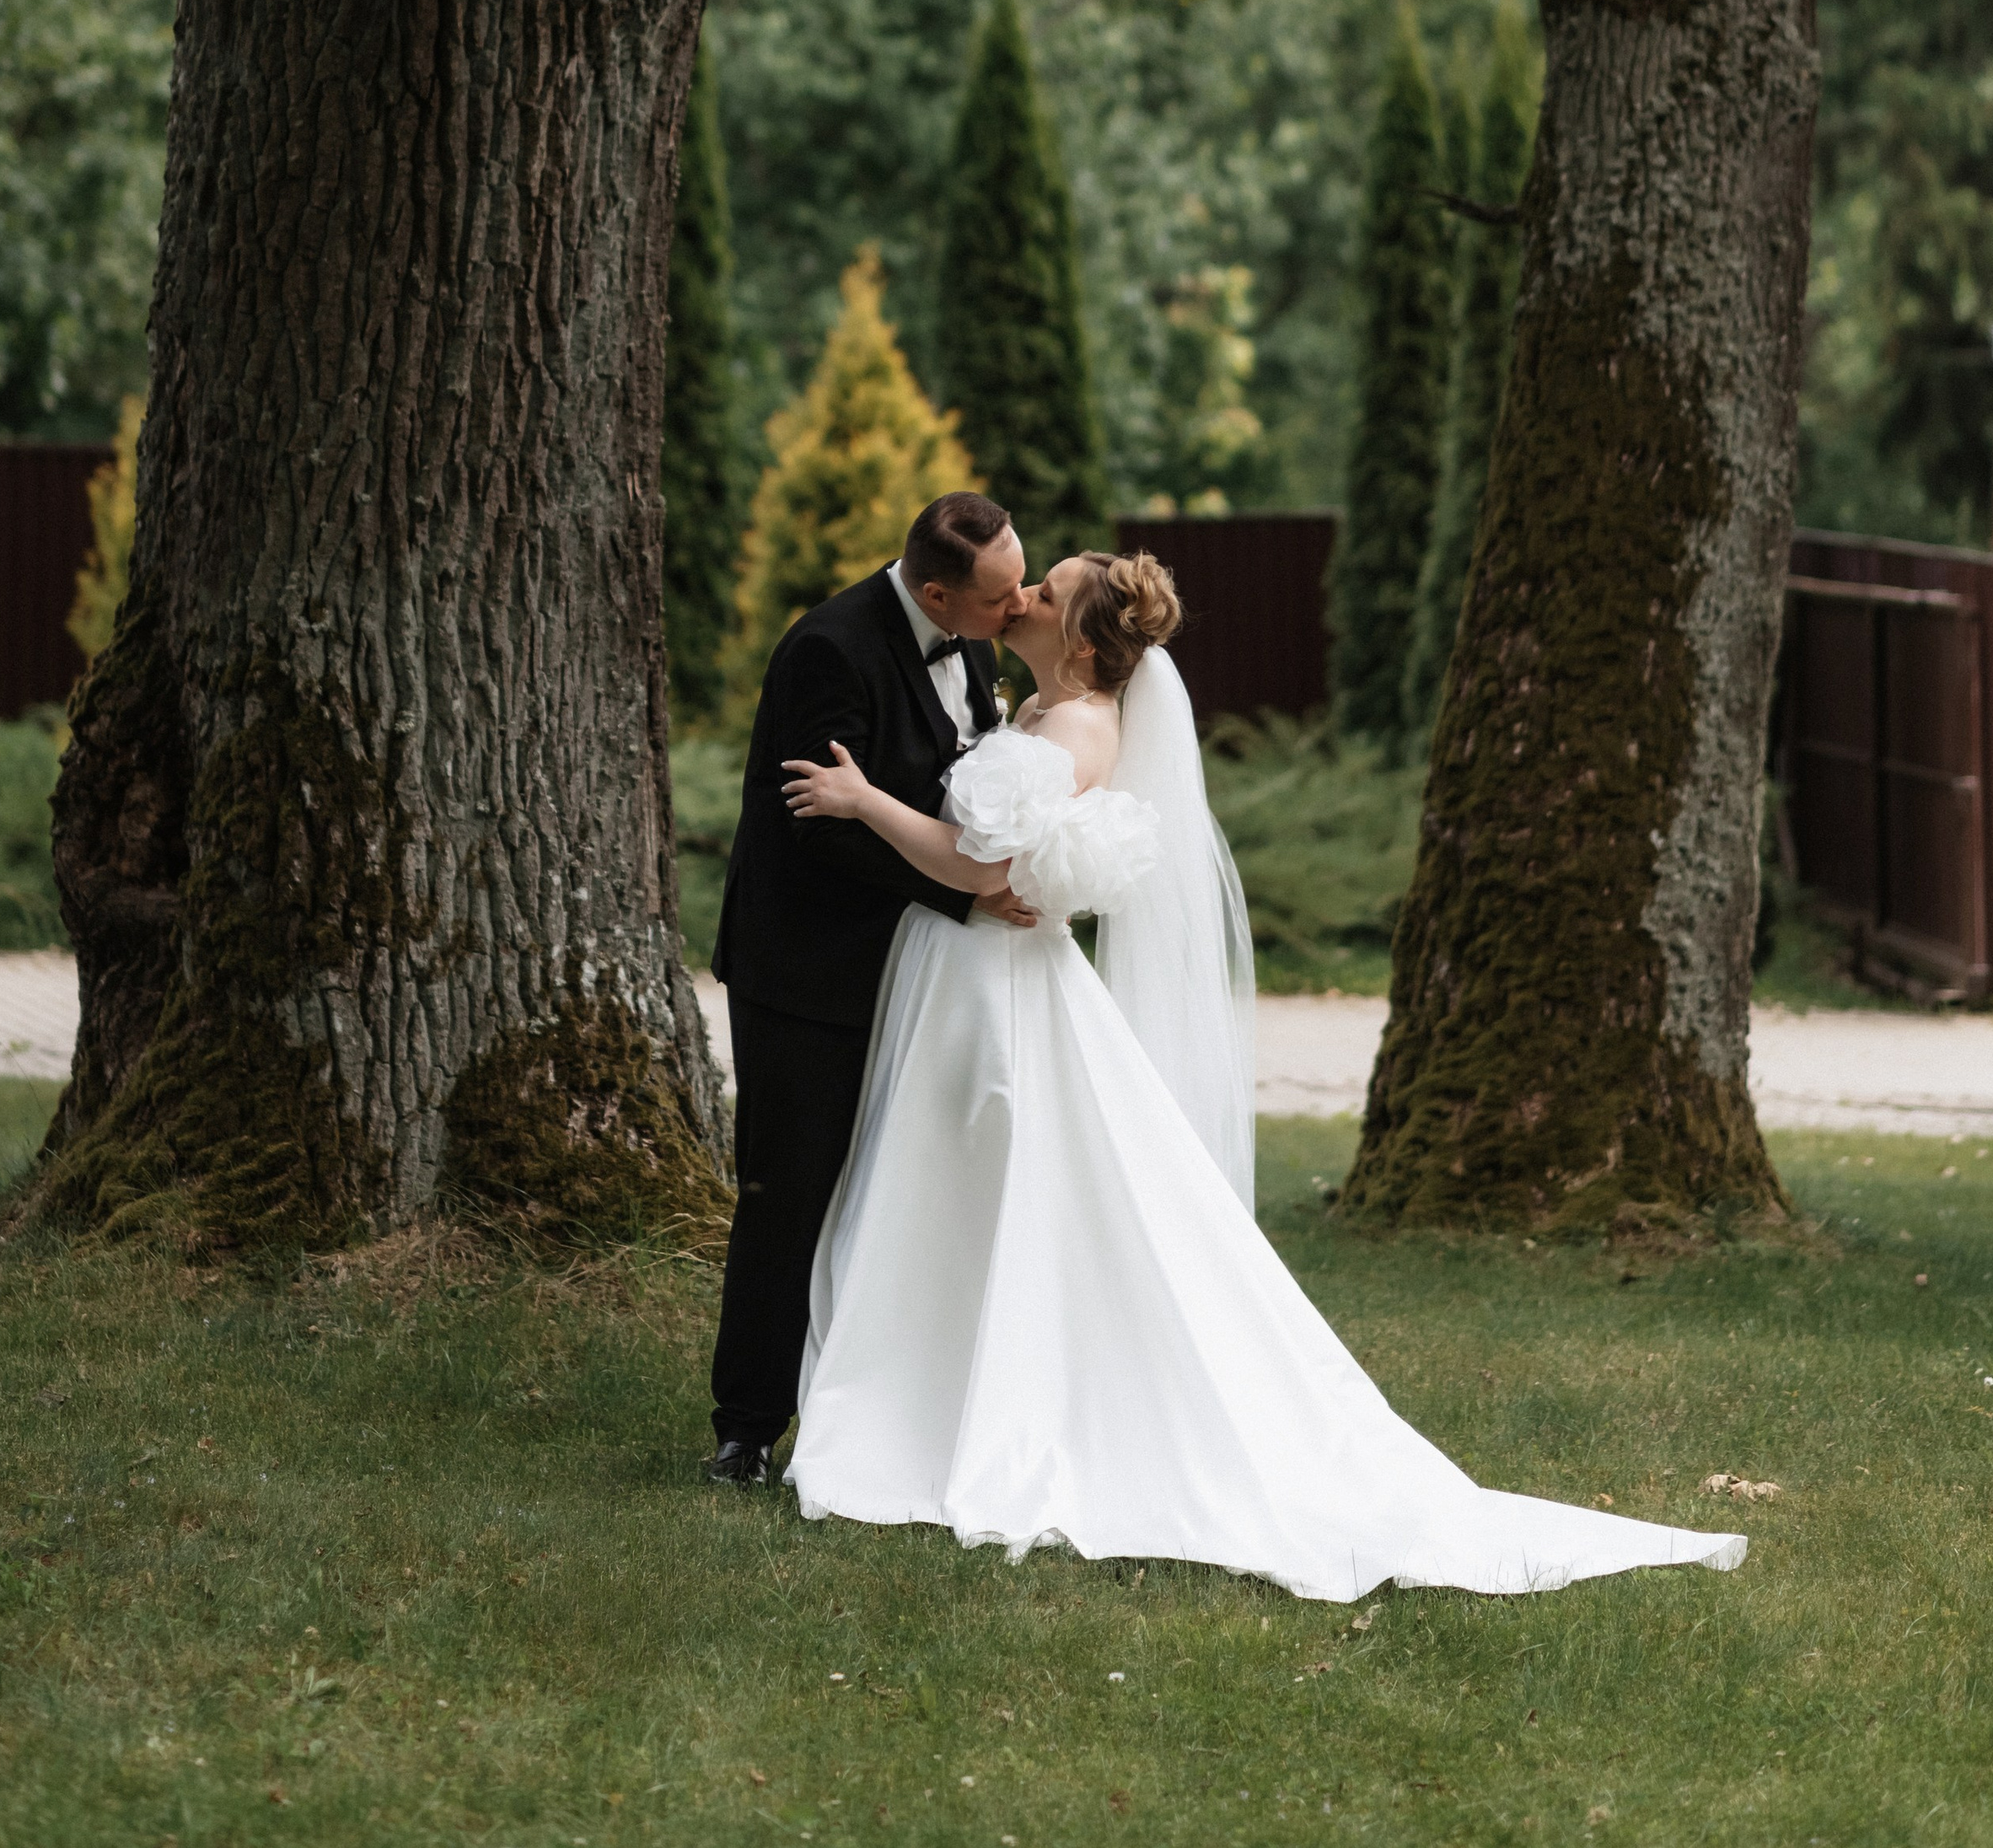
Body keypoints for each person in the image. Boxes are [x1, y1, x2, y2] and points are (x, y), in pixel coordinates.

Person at [774, 547, 1748, 1606]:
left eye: (1044, 593)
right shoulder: (1039, 708)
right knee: (973, 1187)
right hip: (980, 978)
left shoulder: (1073, 727)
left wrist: (861, 799)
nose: (1022, 599)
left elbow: (982, 870)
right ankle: (937, 1376)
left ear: (1086, 641)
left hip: (997, 988)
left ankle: (953, 1399)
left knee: (990, 1178)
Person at [702, 490, 1036, 1485]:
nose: (1016, 607)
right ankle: (748, 1426)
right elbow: (823, 823)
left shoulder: (970, 643)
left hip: (914, 973)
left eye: (1023, 581)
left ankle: (885, 1408)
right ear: (938, 590)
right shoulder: (828, 649)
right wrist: (966, 902)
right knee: (789, 1189)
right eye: (1000, 595)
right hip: (807, 970)